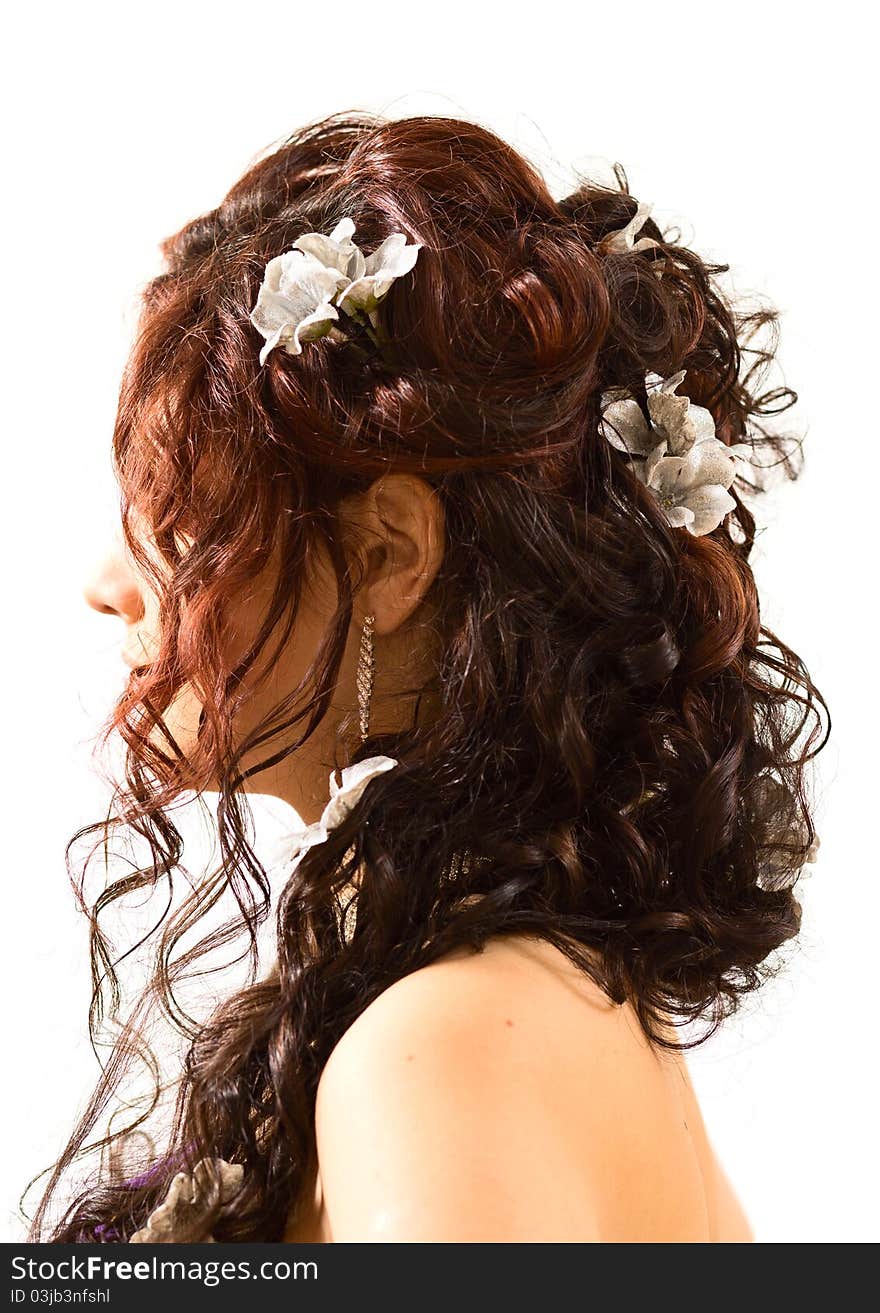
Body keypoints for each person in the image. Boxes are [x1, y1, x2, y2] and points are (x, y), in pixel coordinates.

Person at [28, 111, 827, 1244]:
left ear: (391, 554)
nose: (107, 580)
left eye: (180, 511)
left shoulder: (446, 1053)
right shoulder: (528, 1002)